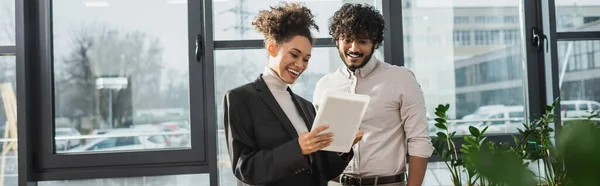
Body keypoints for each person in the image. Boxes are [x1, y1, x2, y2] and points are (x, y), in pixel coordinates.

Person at [223, 2, 363, 186]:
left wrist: (343, 147)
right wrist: (297, 149)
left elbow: (323, 172)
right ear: (272, 48)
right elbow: (246, 168)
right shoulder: (240, 98)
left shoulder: (306, 106)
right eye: (294, 55)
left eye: (306, 59)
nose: (300, 65)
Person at [313, 3, 434, 186]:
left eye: (362, 41)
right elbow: (319, 145)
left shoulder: (401, 79)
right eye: (347, 40)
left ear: (375, 43)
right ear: (337, 40)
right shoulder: (325, 85)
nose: (354, 48)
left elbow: (419, 140)